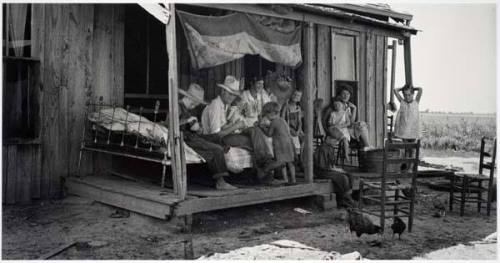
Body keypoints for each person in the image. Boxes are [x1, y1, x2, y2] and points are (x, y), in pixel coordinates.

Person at [201, 75, 274, 179]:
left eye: (234, 95)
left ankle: (264, 166)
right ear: (223, 91)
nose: (232, 97)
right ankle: (264, 170)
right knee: (252, 141)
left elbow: (223, 126)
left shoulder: (225, 105)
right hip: (215, 140)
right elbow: (216, 135)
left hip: (225, 135)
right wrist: (236, 126)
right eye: (230, 94)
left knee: (254, 131)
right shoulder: (215, 106)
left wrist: (231, 124)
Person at [178, 83, 238, 190]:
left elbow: (190, 127)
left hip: (193, 136)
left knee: (216, 137)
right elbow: (169, 124)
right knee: (217, 149)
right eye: (196, 102)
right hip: (186, 139)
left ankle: (226, 160)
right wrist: (187, 121)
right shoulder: (177, 106)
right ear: (189, 98)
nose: (196, 105)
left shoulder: (187, 109)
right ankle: (220, 182)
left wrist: (198, 128)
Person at [325, 84, 372, 151]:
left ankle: (367, 146)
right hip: (340, 131)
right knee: (361, 125)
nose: (346, 96)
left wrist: (354, 109)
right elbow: (329, 123)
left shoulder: (347, 107)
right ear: (340, 95)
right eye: (343, 94)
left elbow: (351, 122)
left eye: (348, 94)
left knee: (362, 124)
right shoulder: (336, 106)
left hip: (348, 129)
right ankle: (367, 146)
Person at [259, 102, 296, 184]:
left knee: (280, 162)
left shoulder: (274, 122)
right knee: (290, 162)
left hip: (280, 145)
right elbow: (281, 130)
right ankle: (293, 179)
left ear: (271, 113)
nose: (266, 117)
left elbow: (269, 134)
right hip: (289, 143)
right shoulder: (282, 120)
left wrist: (262, 127)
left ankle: (266, 170)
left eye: (266, 115)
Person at [313, 141, 356, 208]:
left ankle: (347, 198)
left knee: (349, 175)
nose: (335, 143)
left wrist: (337, 169)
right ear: (329, 139)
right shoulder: (322, 149)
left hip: (329, 169)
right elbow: (322, 166)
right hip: (322, 172)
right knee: (342, 178)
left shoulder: (330, 148)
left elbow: (332, 165)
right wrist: (334, 169)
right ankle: (345, 200)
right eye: (334, 140)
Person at [281, 90, 304, 154]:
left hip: (296, 130)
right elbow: (282, 120)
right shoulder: (286, 106)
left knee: (304, 139)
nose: (295, 96)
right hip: (287, 129)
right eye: (294, 94)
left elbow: (299, 121)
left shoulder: (298, 108)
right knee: (292, 144)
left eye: (298, 96)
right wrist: (291, 130)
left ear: (299, 99)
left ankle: (300, 158)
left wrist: (298, 130)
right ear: (291, 95)